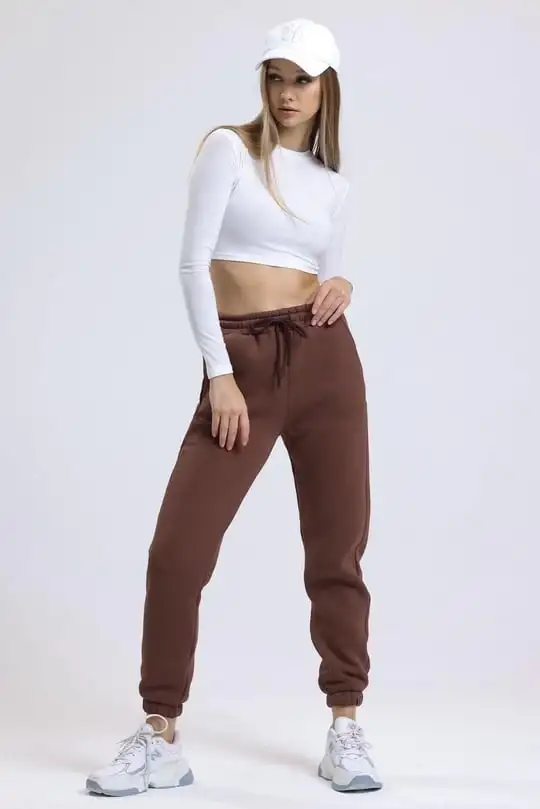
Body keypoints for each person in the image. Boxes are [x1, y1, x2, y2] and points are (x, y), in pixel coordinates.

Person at [86, 17, 382, 797]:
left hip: (326, 364)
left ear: (326, 87)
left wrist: (342, 282)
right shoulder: (229, 149)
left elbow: (327, 270)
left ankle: (345, 724)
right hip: (241, 366)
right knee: (177, 551)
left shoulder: (335, 186)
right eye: (276, 76)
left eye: (303, 79)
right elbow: (193, 264)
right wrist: (218, 372)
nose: (287, 93)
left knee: (337, 550)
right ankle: (160, 735)